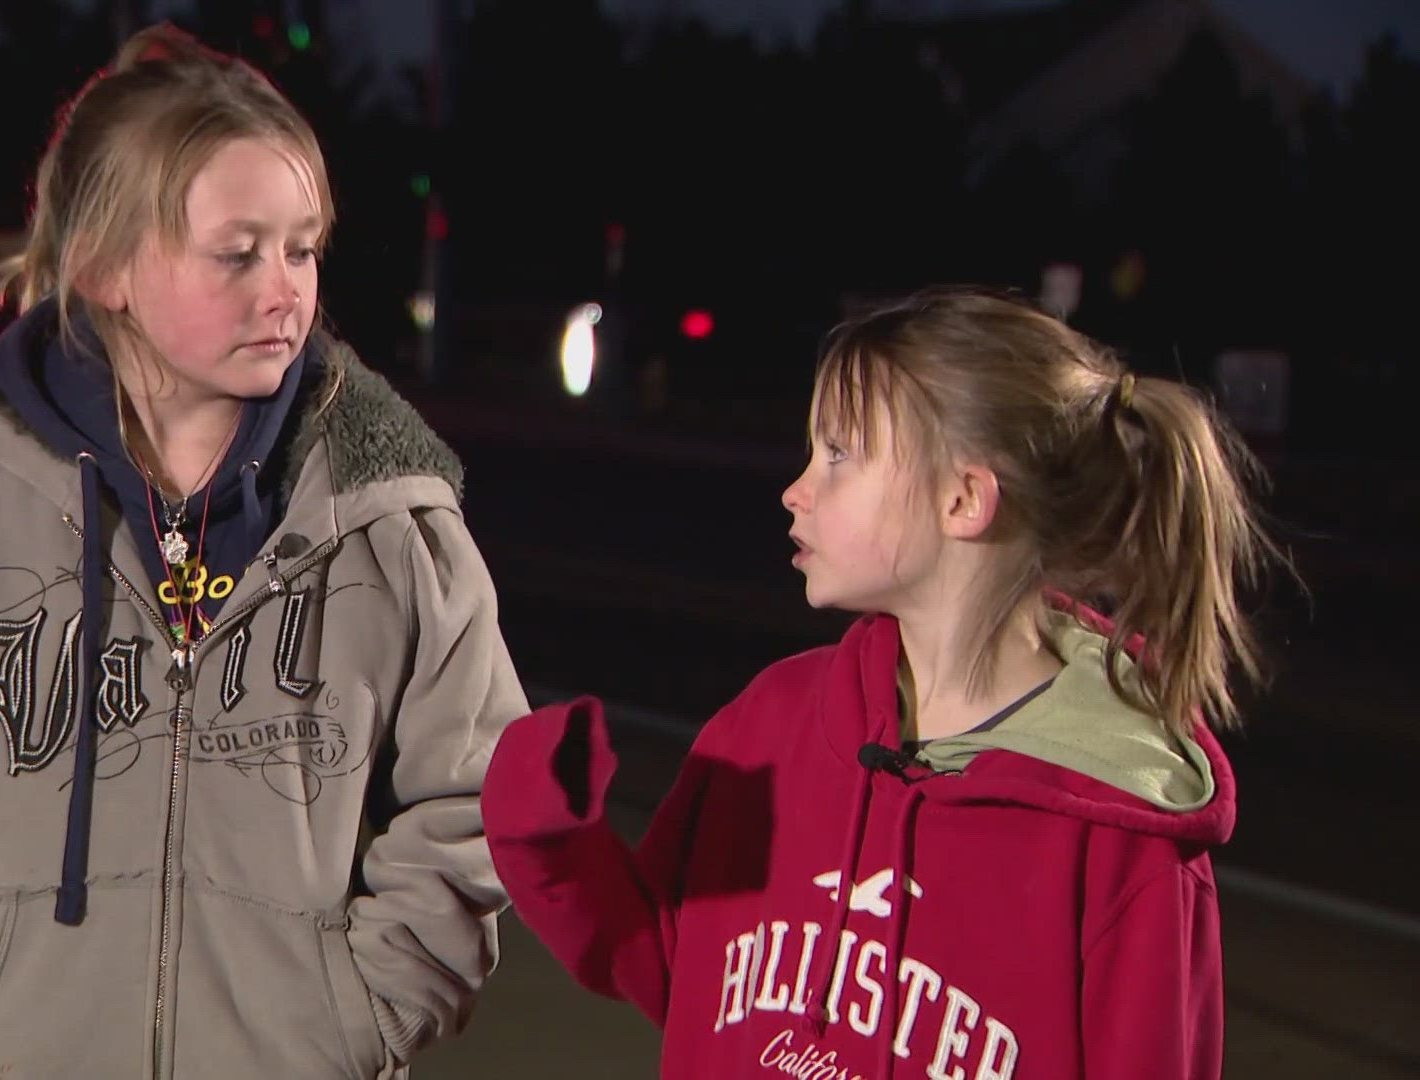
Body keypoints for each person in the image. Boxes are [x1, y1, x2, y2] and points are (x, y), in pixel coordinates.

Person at [0, 24, 525, 1078]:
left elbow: (482, 789)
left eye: (301, 247)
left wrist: (369, 1008)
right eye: (237, 252)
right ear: (105, 265)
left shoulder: (390, 509)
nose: (284, 290)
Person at [482, 287, 1281, 1078]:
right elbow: (669, 964)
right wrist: (546, 831)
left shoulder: (1122, 840)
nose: (798, 489)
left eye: (839, 455)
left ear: (963, 499)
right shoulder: (773, 721)